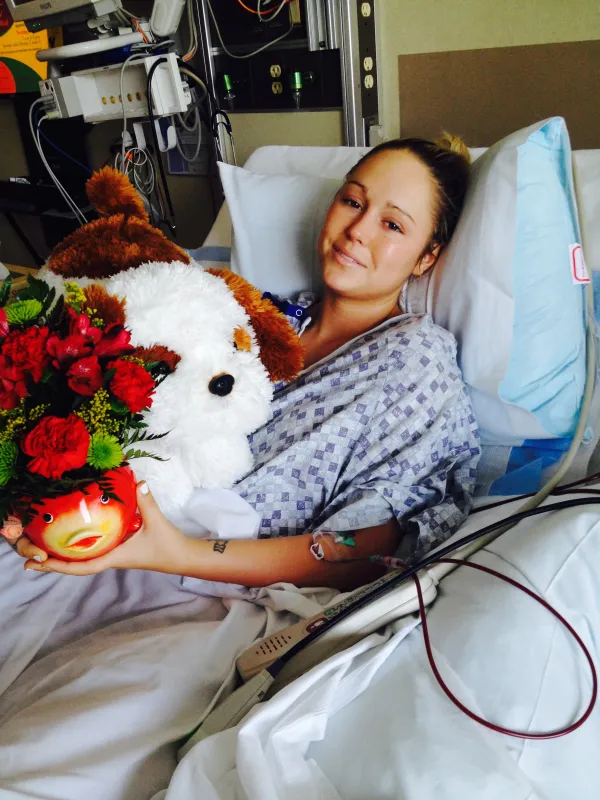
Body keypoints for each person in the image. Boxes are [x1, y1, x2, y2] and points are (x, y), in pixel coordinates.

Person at [10, 135, 480, 591]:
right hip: (120, 530)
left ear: (427, 257)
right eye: (353, 202)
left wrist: (176, 553)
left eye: (393, 225)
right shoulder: (253, 316)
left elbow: (371, 548)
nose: (357, 231)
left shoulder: (416, 358)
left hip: (216, 577)